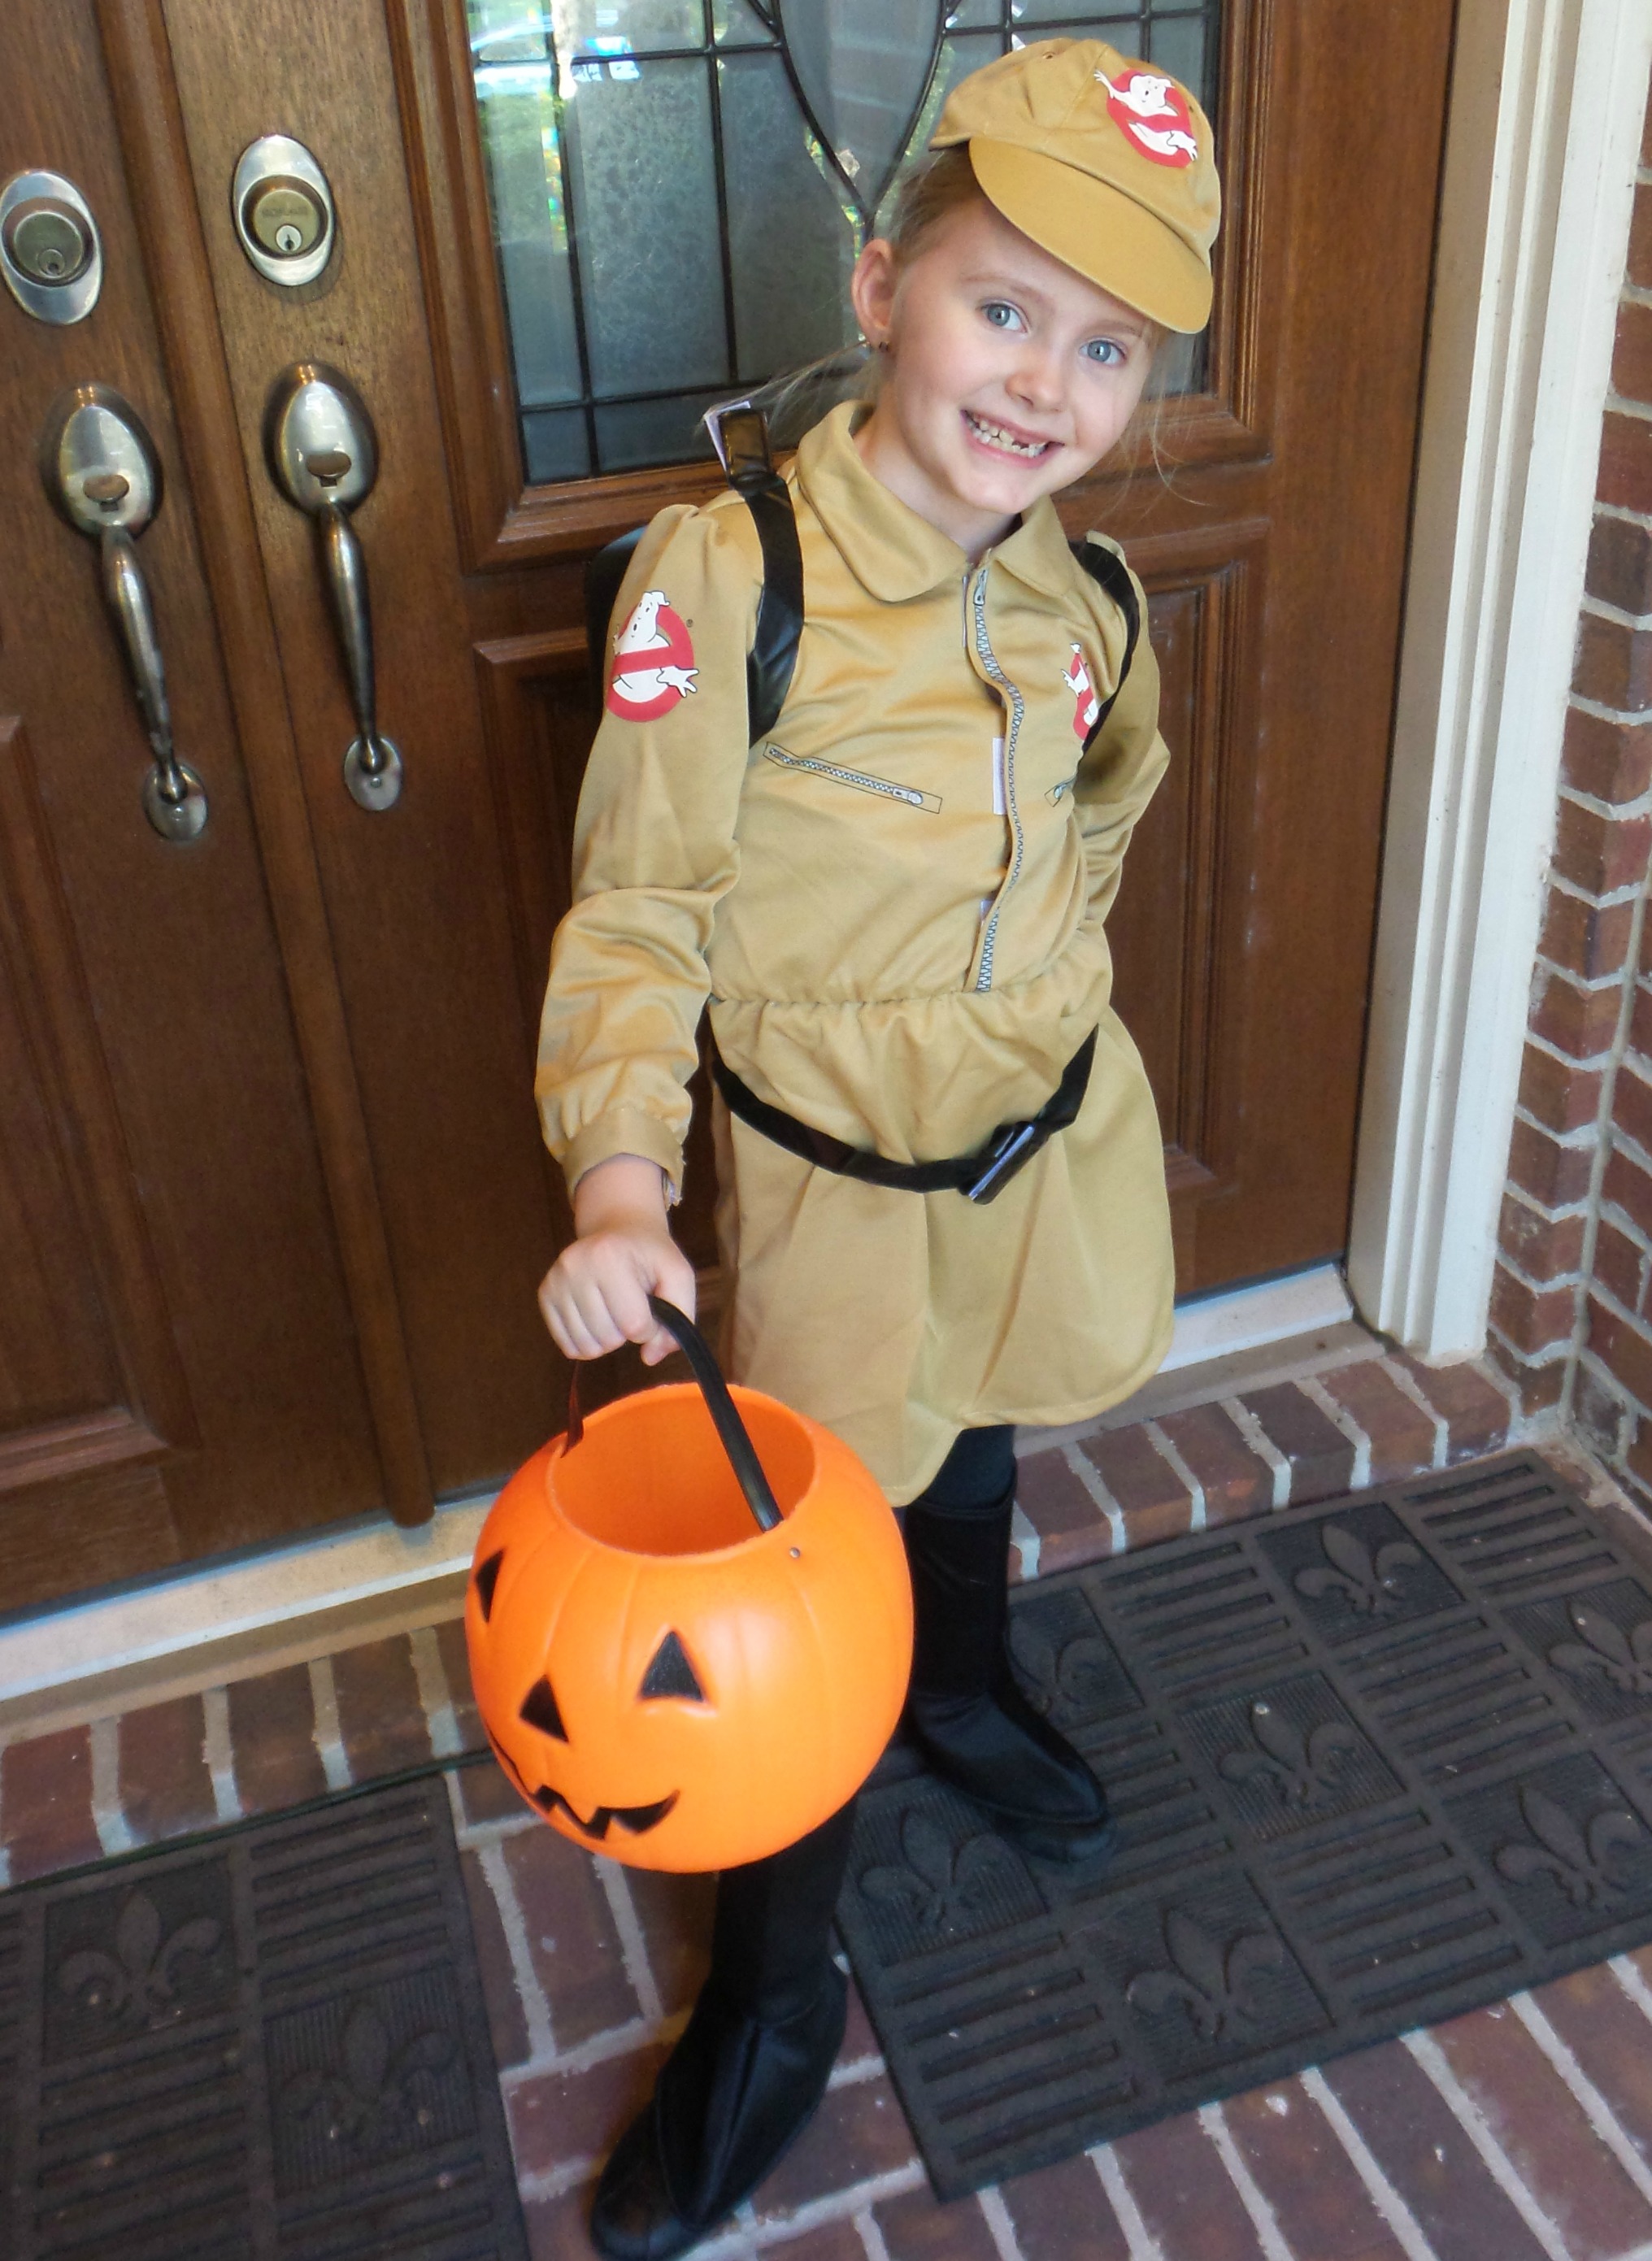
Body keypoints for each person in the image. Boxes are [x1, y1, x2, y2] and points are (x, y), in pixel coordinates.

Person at [534, 37, 1220, 2259]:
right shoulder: (728, 582)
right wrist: (623, 1182)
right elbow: (638, 911)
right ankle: (773, 1986)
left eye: (1104, 344)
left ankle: (966, 1682)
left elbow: (1091, 839)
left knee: (986, 1442)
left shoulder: (1083, 606)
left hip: (1037, 1149)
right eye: (1003, 306)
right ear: (880, 287)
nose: (1044, 380)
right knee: (810, 1567)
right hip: (834, 1186)